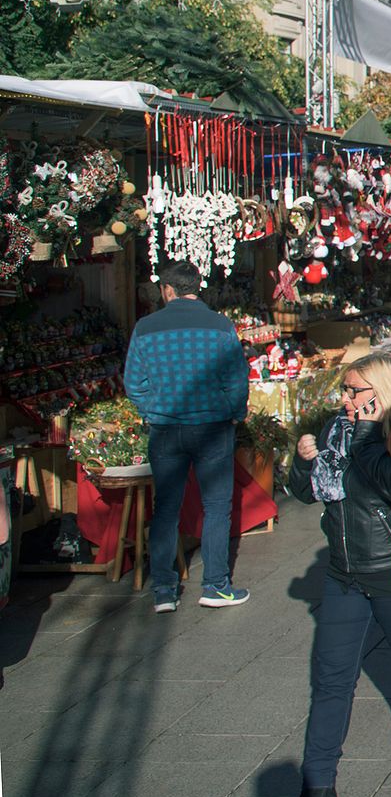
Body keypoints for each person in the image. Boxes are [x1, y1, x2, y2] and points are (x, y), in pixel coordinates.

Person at [288, 352, 391, 797]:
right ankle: (318, 783)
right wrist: (301, 462)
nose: (345, 399)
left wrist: (368, 436)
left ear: (382, 391)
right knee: (331, 678)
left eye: (354, 391)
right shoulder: (337, 428)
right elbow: (306, 491)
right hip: (343, 573)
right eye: (344, 390)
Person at [123, 261, 250, 613]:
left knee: (165, 509)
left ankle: (164, 589)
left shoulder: (145, 328)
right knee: (216, 508)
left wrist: (153, 410)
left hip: (165, 429)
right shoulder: (221, 325)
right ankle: (215, 585)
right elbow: (237, 380)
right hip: (212, 427)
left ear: (167, 290)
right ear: (196, 287)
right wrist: (232, 410)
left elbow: (134, 383)